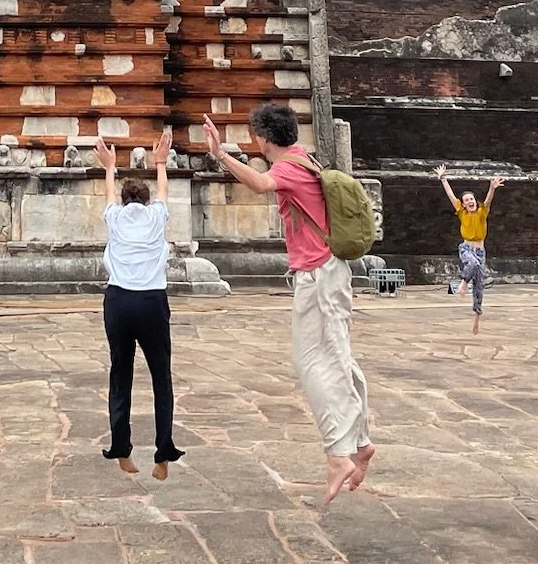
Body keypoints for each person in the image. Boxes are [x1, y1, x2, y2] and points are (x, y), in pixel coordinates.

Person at [203, 104, 374, 503]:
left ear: (263, 138)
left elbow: (261, 185)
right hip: (322, 274)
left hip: (320, 276)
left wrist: (221, 154)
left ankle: (338, 453)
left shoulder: (290, 166)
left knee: (315, 362)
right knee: (338, 359)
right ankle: (360, 443)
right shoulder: (304, 159)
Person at [95, 127, 183, 479]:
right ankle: (163, 453)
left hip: (118, 301)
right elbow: (164, 191)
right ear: (146, 202)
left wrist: (109, 167)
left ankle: (121, 447)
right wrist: (160, 161)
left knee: (121, 374)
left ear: (124, 200)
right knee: (161, 376)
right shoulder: (155, 217)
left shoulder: (115, 218)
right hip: (150, 302)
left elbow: (108, 197)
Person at [436, 165, 504, 334]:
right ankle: (464, 282)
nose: (470, 202)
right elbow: (451, 196)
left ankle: (476, 319)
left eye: (471, 199)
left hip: (481, 251)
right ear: (464, 204)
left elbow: (488, 200)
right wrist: (443, 178)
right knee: (471, 263)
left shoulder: (482, 212)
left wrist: (492, 187)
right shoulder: (461, 212)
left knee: (479, 287)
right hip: (466, 248)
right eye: (466, 200)